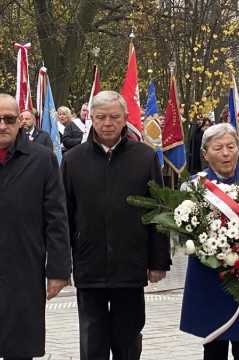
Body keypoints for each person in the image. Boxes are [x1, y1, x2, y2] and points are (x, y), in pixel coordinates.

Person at [62, 91, 171, 360]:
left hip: (131, 265)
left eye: (114, 117)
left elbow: (158, 209)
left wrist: (158, 261)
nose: (107, 123)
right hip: (89, 265)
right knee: (92, 340)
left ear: (124, 119)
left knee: (128, 338)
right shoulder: (73, 160)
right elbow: (64, 214)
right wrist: (62, 265)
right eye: (101, 117)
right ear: (91, 119)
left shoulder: (145, 157)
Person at [180, 123, 239, 360]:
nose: (226, 153)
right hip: (212, 278)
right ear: (205, 153)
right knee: (214, 348)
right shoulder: (194, 185)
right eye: (218, 148)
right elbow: (184, 232)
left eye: (231, 146)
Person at [0, 93, 71, 360]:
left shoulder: (42, 160)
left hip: (24, 269)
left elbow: (56, 218)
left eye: (9, 119)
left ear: (20, 122)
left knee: (20, 347)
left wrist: (58, 271)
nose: (2, 125)